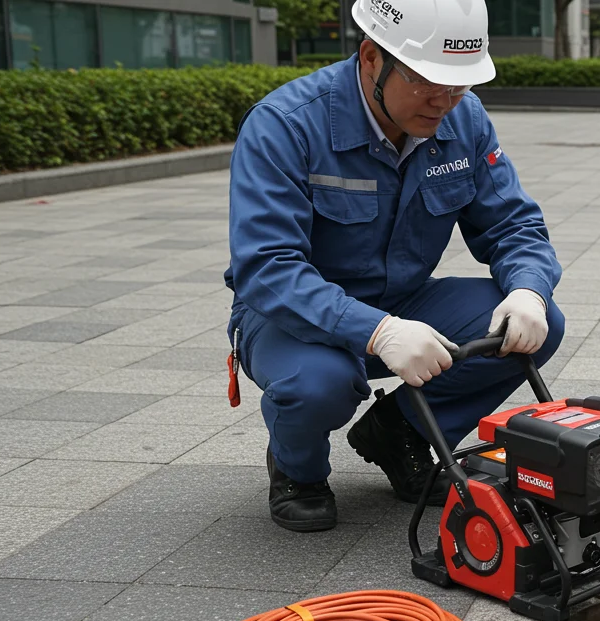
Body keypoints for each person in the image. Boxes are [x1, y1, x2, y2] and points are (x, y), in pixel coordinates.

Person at [226, 0, 564, 533]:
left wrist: (528, 289)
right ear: (370, 58)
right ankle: (298, 471)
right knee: (319, 383)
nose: (444, 102)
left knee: (531, 327)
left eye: (459, 85)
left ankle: (400, 431)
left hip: (403, 298)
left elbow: (512, 225)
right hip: (290, 314)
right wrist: (377, 331)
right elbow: (267, 266)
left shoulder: (464, 118)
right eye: (427, 81)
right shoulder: (285, 125)